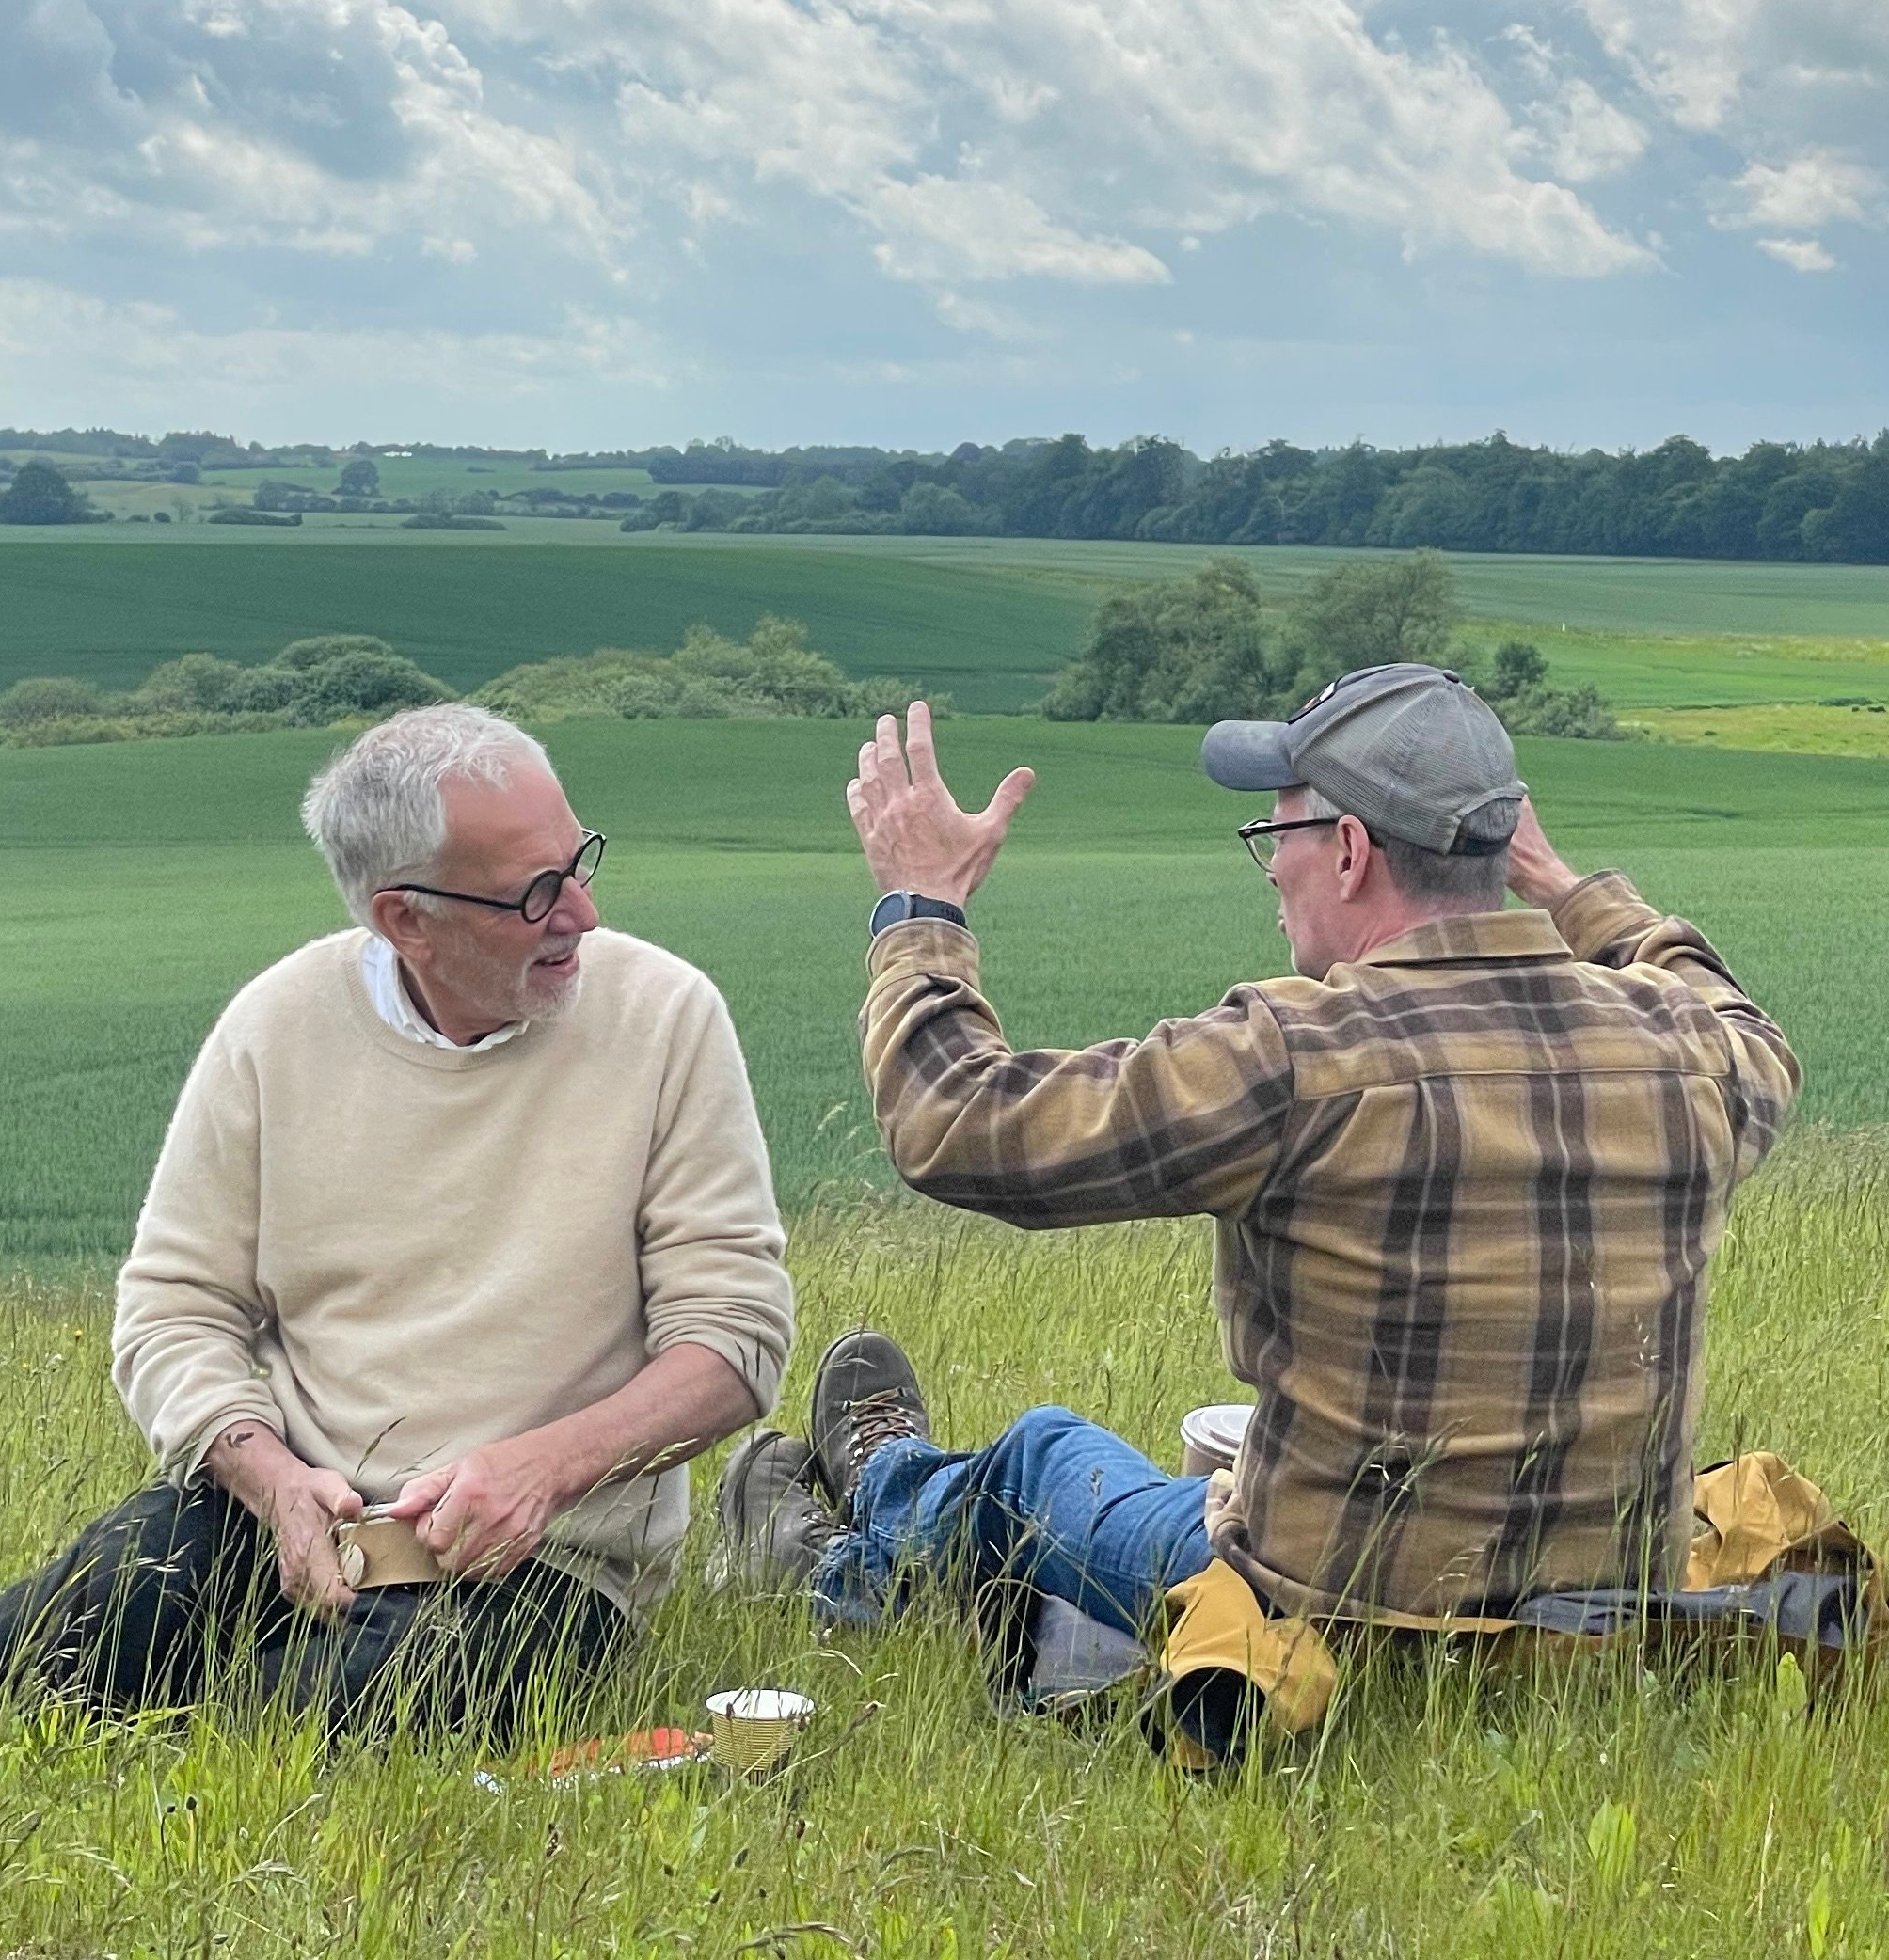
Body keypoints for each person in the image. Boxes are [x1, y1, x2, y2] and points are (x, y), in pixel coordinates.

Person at [0, 703, 794, 1741]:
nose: (582, 912)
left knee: (313, 1726)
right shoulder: (278, 1026)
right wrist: (267, 1474)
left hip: (540, 1562)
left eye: (577, 861)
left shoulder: (666, 1018)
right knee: (76, 1631)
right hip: (278, 1513)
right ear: (406, 919)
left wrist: (545, 1470)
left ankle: (185, 1719)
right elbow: (173, 1309)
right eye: (535, 892)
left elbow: (734, 1342)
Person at [713, 664, 1801, 1725]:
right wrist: (1563, 885)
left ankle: (858, 1527)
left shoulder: (1297, 1057)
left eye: (1276, 835)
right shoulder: (1690, 1052)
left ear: (1350, 852)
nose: (1272, 870)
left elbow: (956, 1122)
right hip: (1602, 1613)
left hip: (1324, 1612)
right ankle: (873, 1518)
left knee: (1045, 1457)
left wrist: (923, 907)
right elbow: (1743, 1019)